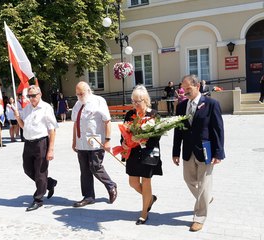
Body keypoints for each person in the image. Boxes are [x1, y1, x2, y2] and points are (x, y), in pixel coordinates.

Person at [172, 74, 225, 232]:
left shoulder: (211, 104)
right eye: (183, 88)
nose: (185, 92)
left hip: (206, 149)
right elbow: (178, 131)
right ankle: (206, 197)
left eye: (189, 88)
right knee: (188, 179)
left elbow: (218, 130)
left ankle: (199, 217)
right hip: (188, 150)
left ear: (198, 87)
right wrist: (175, 152)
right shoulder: (181, 106)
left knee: (204, 183)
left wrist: (219, 152)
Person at [121, 85, 163, 225]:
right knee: (133, 182)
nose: (134, 104)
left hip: (148, 153)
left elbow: (157, 136)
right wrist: (124, 144)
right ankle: (150, 199)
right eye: (132, 101)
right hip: (133, 153)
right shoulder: (129, 114)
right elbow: (124, 133)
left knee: (146, 181)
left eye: (137, 101)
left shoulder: (154, 115)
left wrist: (143, 139)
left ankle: (144, 213)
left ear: (145, 100)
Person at [71, 81, 117, 208]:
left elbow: (107, 121)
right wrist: (74, 141)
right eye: (77, 94)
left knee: (95, 166)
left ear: (88, 91)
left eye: (81, 93)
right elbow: (75, 123)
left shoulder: (98, 101)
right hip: (81, 143)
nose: (80, 96)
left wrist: (107, 140)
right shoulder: (77, 104)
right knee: (84, 170)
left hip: (95, 142)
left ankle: (111, 185)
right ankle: (88, 196)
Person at [14, 85, 58, 212]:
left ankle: (38, 199)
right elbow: (23, 126)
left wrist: (51, 149)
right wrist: (18, 118)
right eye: (29, 96)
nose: (31, 98)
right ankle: (49, 183)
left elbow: (52, 130)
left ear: (40, 95)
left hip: (41, 143)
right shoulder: (27, 108)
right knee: (27, 170)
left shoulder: (46, 108)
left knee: (40, 173)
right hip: (28, 143)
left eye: (33, 95)